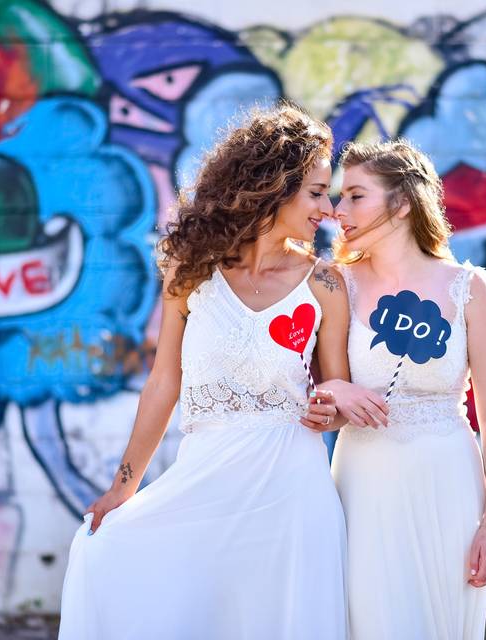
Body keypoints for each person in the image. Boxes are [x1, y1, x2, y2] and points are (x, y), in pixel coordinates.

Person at [58, 104, 351, 640]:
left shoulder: (326, 284)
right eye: (314, 191)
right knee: (135, 577)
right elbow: (162, 384)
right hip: (204, 483)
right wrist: (123, 488)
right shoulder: (190, 273)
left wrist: (329, 409)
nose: (327, 207)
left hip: (293, 499)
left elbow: (337, 392)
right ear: (271, 187)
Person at [322, 139, 486, 639]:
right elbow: (315, 393)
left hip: (448, 483)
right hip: (365, 486)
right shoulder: (336, 283)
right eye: (340, 197)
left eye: (356, 196)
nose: (338, 209)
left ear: (402, 202)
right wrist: (337, 391)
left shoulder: (469, 288)